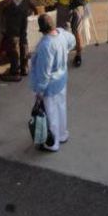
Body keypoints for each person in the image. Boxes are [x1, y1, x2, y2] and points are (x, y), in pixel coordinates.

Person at [29, 12, 76, 151]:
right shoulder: (62, 34)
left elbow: (44, 73)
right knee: (61, 108)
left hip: (50, 86)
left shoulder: (46, 45)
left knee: (51, 114)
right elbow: (72, 40)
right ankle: (62, 134)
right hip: (62, 80)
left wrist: (39, 91)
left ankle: (52, 143)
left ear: (42, 30)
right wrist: (65, 50)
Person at [52, 0, 89, 67]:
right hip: (78, 4)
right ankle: (78, 56)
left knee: (62, 33)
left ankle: (62, 58)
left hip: (64, 6)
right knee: (77, 30)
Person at [0, 0, 31, 83]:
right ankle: (24, 67)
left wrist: (2, 6)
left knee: (13, 38)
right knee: (23, 35)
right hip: (23, 2)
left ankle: (15, 71)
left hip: (14, 6)